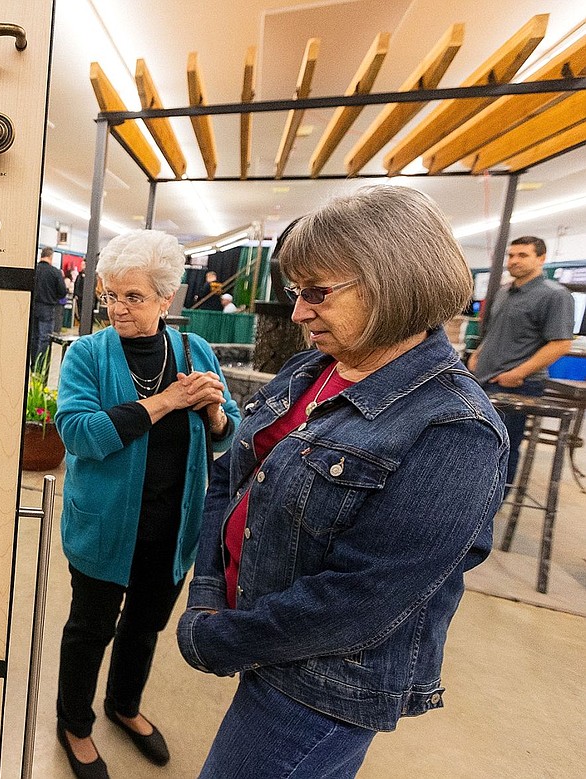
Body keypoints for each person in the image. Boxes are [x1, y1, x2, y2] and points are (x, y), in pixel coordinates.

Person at [177, 186, 507, 779]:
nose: (300, 312)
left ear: (393, 282)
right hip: (258, 629)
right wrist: (208, 592)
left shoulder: (454, 428)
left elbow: (363, 599)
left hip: (323, 679)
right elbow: (234, 475)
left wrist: (222, 638)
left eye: (318, 293)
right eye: (296, 292)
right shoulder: (313, 369)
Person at [54, 229, 241, 779]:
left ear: (165, 299)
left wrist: (212, 415)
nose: (117, 307)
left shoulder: (195, 350)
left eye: (132, 297)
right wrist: (167, 401)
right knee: (89, 629)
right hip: (106, 528)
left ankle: (123, 705)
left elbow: (225, 436)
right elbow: (80, 433)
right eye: (110, 294)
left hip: (170, 528)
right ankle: (74, 723)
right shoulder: (88, 355)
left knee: (143, 625)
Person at [468, 236, 574, 487]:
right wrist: (479, 353)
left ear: (541, 259)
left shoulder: (555, 296)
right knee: (475, 445)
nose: (514, 261)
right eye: (511, 255)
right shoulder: (505, 292)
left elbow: (560, 343)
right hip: (485, 381)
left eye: (522, 255)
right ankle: (471, 497)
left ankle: (494, 503)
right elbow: (499, 331)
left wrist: (518, 373)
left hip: (515, 386)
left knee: (501, 449)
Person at [31, 246, 68, 369]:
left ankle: (32, 364)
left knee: (33, 336)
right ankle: (39, 367)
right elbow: (62, 291)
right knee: (44, 338)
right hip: (47, 308)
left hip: (33, 307)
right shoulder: (55, 272)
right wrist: (54, 297)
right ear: (51, 256)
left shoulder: (33, 269)